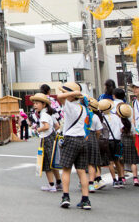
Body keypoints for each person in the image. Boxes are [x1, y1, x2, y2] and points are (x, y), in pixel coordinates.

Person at [56, 82, 91, 210]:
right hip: (82, 139)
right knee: (81, 171)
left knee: (66, 169)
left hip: (70, 139)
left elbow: (59, 96)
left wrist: (73, 93)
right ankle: (85, 199)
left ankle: (65, 197)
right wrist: (76, 94)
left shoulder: (69, 105)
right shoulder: (83, 108)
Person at [31, 93, 61, 192]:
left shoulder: (43, 114)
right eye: (34, 103)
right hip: (52, 137)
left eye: (37, 103)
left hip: (46, 139)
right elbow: (57, 126)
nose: (35, 105)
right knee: (53, 162)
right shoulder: (49, 113)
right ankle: (58, 182)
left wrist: (38, 130)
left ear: (44, 104)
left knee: (47, 163)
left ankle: (51, 185)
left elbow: (46, 126)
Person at [84, 97, 104, 192]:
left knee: (83, 163)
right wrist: (96, 138)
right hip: (92, 137)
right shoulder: (95, 117)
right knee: (92, 163)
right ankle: (91, 184)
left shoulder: (83, 114)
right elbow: (98, 131)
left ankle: (83, 183)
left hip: (83, 136)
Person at [129, 81, 139, 186]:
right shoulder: (134, 102)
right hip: (137, 131)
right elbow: (133, 117)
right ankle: (135, 177)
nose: (135, 90)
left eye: (137, 88)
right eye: (134, 88)